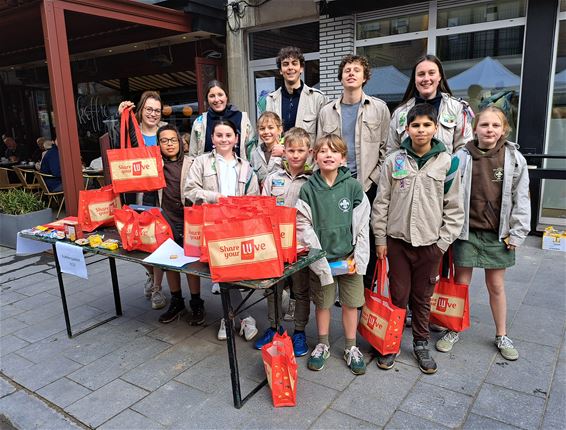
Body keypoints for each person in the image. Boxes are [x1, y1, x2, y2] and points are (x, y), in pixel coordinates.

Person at [371, 103, 464, 374]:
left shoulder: (448, 162)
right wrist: (380, 239)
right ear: (407, 128)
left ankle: (421, 342)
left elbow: (455, 207)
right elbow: (382, 202)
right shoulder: (394, 160)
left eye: (426, 125)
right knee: (398, 295)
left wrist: (442, 244)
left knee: (423, 297)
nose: (420, 130)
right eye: (415, 125)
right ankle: (392, 341)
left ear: (435, 128)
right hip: (397, 242)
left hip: (430, 244)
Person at [435, 106, 530, 361]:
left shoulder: (514, 158)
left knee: (496, 285)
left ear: (504, 130)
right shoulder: (461, 156)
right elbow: (449, 194)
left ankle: (501, 334)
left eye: (495, 126)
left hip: (498, 235)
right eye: (484, 125)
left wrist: (518, 232)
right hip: (466, 233)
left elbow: (522, 198)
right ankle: (453, 328)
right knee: (461, 285)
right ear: (474, 128)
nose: (489, 130)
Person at [296, 134, 371, 375]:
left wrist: (358, 257)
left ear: (343, 158)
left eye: (334, 151)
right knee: (323, 303)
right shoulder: (309, 189)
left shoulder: (353, 187)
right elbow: (303, 225)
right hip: (322, 260)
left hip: (348, 259)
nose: (328, 155)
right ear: (314, 156)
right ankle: (323, 344)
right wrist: (317, 258)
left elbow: (361, 225)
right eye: (323, 151)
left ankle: (351, 347)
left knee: (351, 303)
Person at [317, 54, 390, 291]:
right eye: (347, 70)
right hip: (336, 186)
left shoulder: (379, 108)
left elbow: (386, 149)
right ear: (340, 77)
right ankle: (341, 288)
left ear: (365, 77)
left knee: (365, 238)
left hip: (366, 185)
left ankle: (365, 291)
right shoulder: (327, 111)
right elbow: (321, 146)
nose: (351, 73)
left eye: (356, 70)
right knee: (338, 236)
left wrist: (372, 179)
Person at [184, 119, 259, 339]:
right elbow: (190, 190)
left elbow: (253, 197)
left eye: (228, 135)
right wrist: (216, 198)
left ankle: (233, 317)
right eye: (219, 135)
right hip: (211, 225)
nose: (224, 139)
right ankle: (237, 317)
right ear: (212, 138)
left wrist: (241, 209)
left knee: (230, 274)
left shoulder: (245, 167)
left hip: (237, 227)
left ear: (236, 139)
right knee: (220, 273)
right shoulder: (201, 162)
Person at [254, 127, 313, 356]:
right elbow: (262, 207)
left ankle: (299, 331)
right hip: (275, 244)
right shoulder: (273, 178)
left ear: (309, 152)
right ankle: (274, 327)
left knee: (300, 290)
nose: (295, 155)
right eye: (291, 150)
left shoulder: (312, 180)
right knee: (273, 289)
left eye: (300, 150)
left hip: (300, 246)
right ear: (283, 151)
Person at [140, 124, 202, 324]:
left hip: (189, 222)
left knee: (191, 264)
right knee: (170, 263)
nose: (169, 144)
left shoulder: (193, 163)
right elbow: (149, 196)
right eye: (164, 140)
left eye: (173, 140)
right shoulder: (154, 165)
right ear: (158, 144)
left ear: (180, 142)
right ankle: (177, 302)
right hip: (166, 222)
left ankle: (196, 303)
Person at [117, 91, 167, 305]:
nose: (153, 114)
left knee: (157, 240)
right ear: (140, 110)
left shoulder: (165, 131)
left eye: (157, 110)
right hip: (133, 193)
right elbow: (117, 145)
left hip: (158, 195)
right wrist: (122, 116)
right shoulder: (131, 129)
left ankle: (157, 288)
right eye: (149, 109)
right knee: (134, 240)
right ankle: (150, 273)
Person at [387, 54, 474, 156]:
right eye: (421, 74)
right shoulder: (400, 113)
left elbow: (464, 149)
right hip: (408, 172)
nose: (426, 78)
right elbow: (392, 152)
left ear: (440, 76)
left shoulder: (457, 108)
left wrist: (450, 170)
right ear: (414, 79)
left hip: (445, 171)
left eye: (431, 73)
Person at [263, 46, 327, 145]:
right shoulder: (271, 100)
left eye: (294, 63)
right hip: (278, 159)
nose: (290, 68)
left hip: (308, 160)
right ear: (280, 70)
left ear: (301, 68)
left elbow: (323, 138)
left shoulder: (318, 99)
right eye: (285, 64)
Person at [189, 80, 254, 160]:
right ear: (207, 99)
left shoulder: (242, 119)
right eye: (212, 96)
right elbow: (192, 155)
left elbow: (252, 150)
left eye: (220, 95)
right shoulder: (199, 122)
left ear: (226, 96)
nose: (216, 99)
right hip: (208, 171)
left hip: (238, 170)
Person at [249, 111, 285, 187]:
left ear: (280, 129)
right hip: (263, 196)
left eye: (270, 127)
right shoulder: (255, 154)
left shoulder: (287, 150)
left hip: (282, 195)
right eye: (262, 128)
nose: (266, 132)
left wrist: (285, 154)